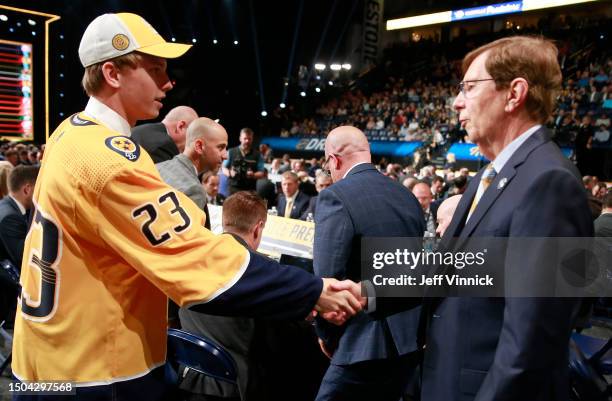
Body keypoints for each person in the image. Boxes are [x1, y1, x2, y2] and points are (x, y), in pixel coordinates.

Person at [11, 13, 362, 400]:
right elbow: (199, 261)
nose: (167, 81)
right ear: (112, 73)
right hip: (93, 372)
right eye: (155, 68)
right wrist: (311, 290)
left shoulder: (69, 131)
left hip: (44, 359)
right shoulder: (108, 159)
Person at [420, 36, 593, 401]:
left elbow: (532, 342)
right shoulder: (491, 176)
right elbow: (449, 271)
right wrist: (364, 293)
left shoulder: (549, 182)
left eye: (469, 87)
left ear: (514, 93)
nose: (457, 101)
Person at [314, 126, 425, 401]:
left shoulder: (335, 196)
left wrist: (325, 336)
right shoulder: (407, 196)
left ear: (334, 160)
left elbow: (329, 281)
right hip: (410, 341)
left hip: (360, 344)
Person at [156, 117, 227, 226]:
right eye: (221, 148)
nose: (225, 156)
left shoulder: (157, 167)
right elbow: (185, 241)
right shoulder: (193, 190)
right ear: (199, 146)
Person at [0, 165, 38, 328]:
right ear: (27, 189)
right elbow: (25, 256)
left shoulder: (9, 207)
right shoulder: (10, 217)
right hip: (7, 301)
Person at [131, 105, 198, 163]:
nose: (192, 142)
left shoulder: (140, 129)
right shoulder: (165, 145)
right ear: (180, 126)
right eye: (193, 135)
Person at [222, 128, 265, 194]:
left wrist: (253, 175)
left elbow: (261, 173)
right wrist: (230, 173)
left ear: (252, 139)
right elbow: (223, 167)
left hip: (250, 190)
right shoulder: (231, 152)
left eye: (249, 139)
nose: (247, 141)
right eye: (245, 138)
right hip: (233, 188)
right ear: (240, 138)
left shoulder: (258, 155)